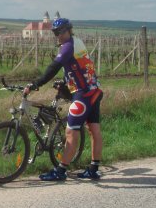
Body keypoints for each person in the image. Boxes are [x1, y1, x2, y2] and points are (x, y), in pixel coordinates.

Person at [24, 18, 103, 181]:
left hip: (83, 95)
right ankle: (94, 169)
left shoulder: (67, 47)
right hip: (94, 90)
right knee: (94, 130)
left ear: (68, 30)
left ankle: (60, 171)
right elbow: (78, 67)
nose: (58, 35)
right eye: (55, 33)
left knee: (71, 131)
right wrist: (67, 82)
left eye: (61, 32)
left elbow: (53, 68)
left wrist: (35, 84)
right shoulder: (77, 41)